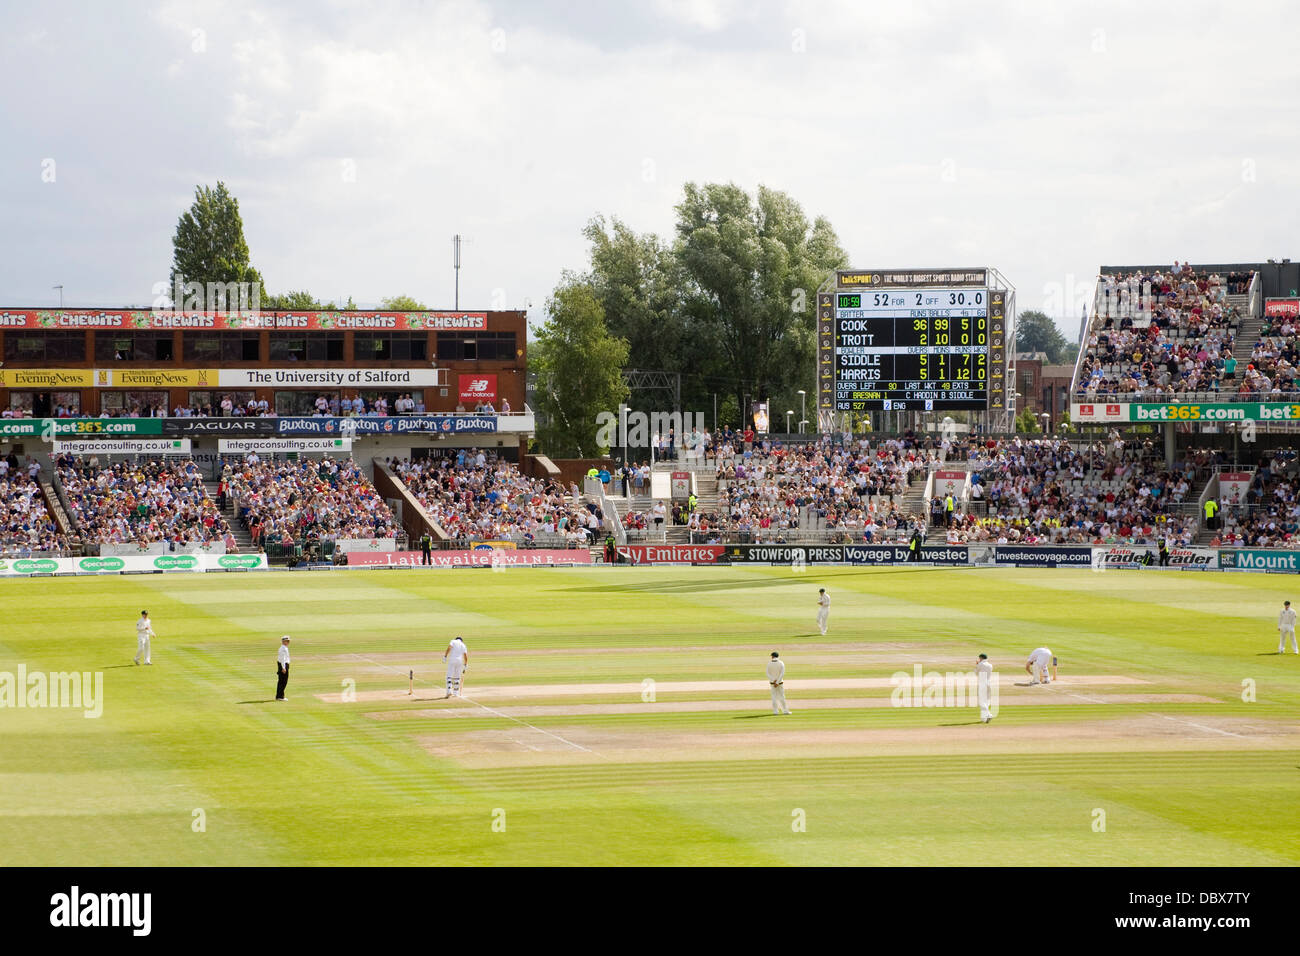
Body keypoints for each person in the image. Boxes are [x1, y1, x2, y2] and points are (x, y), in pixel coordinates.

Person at [976, 653, 993, 723]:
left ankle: (988, 715)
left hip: (982, 684)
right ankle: (984, 718)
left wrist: (977, 665)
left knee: (982, 701)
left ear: (981, 658)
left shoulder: (980, 664)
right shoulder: (990, 665)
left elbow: (976, 673)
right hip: (989, 683)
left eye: (979, 658)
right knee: (986, 701)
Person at [276, 635, 291, 701]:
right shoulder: (283, 649)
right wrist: (284, 668)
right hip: (283, 665)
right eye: (287, 641)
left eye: (288, 641)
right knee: (283, 681)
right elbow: (283, 659)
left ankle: (279, 696)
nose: (288, 642)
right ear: (284, 641)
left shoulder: (284, 648)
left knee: (281, 681)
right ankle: (280, 696)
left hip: (283, 665)